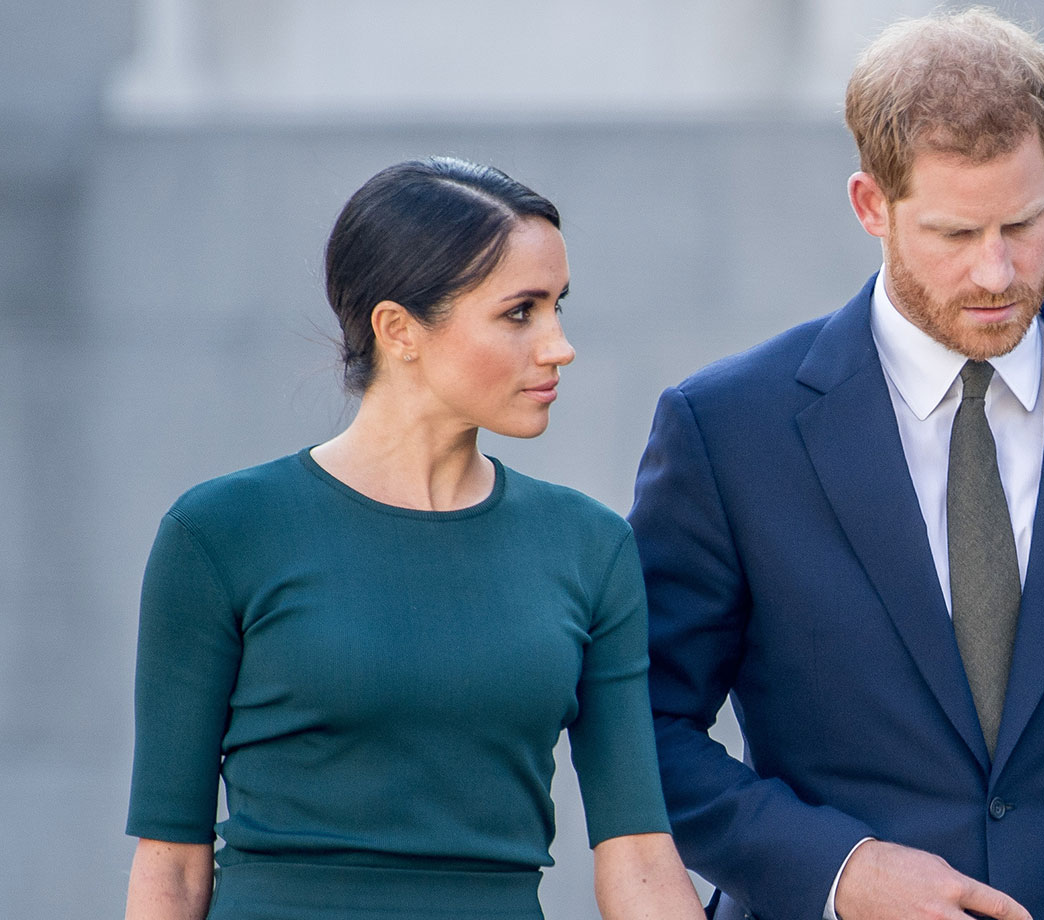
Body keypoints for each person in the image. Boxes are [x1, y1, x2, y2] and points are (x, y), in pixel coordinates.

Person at [629, 9, 1044, 920]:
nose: (996, 272)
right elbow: (642, 727)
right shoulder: (728, 429)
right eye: (954, 235)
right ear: (870, 206)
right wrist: (840, 869)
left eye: (1024, 222)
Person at [124, 157, 706, 920]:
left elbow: (638, 855)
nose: (559, 345)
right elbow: (171, 866)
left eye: (559, 306)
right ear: (399, 329)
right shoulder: (220, 535)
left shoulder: (589, 547)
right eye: (521, 312)